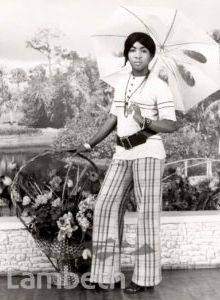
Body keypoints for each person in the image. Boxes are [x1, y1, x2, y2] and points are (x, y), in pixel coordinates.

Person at [75, 32, 177, 293]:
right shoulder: (121, 83)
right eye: (133, 50)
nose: (138, 55)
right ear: (127, 54)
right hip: (122, 153)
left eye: (144, 50)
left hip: (149, 153)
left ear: (151, 55)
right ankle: (105, 274)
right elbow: (113, 118)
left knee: (147, 215)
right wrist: (89, 143)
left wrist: (144, 119)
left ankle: (144, 279)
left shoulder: (159, 86)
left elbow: (170, 124)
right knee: (105, 207)